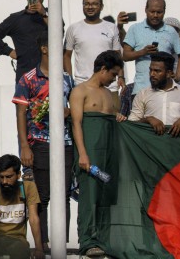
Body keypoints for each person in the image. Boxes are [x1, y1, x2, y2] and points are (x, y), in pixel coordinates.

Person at [12, 31, 74, 252]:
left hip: (65, 143)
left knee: (64, 195)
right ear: (45, 48)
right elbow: (20, 113)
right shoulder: (28, 79)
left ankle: (61, 243)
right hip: (39, 142)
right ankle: (44, 243)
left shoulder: (67, 78)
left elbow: (73, 109)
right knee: (43, 196)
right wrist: (24, 146)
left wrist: (68, 111)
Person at [69, 50, 123, 258]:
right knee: (89, 196)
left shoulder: (109, 94)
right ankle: (88, 240)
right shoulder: (79, 91)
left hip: (110, 151)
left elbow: (114, 117)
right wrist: (82, 154)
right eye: (113, 74)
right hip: (90, 152)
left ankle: (104, 239)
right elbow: (76, 123)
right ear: (103, 69)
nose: (114, 79)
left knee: (106, 194)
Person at [0, 154, 43, 259]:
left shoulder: (28, 188)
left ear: (19, 175)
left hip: (18, 240)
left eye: (9, 177)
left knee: (20, 254)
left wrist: (39, 248)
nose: (4, 181)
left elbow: (34, 219)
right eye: (1, 177)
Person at [0, 0, 51, 82]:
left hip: (49, 74)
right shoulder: (16, 18)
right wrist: (9, 51)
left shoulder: (52, 15)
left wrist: (44, 14)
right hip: (25, 76)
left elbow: (59, 33)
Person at [122, 0, 180, 93]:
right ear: (146, 10)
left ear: (164, 12)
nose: (155, 15)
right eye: (152, 12)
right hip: (141, 89)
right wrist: (143, 52)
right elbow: (125, 56)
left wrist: (177, 76)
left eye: (159, 12)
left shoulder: (171, 31)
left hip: (165, 90)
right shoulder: (135, 29)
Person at [64, 0, 124, 88]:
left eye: (95, 4)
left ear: (101, 7)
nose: (90, 7)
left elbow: (117, 56)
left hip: (110, 86)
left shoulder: (112, 27)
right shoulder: (73, 28)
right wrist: (69, 80)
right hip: (82, 84)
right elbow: (66, 56)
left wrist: (121, 76)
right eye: (86, 4)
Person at [128, 52, 180, 135]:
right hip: (151, 145)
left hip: (177, 145)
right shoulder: (143, 94)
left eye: (157, 71)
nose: (152, 74)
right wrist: (148, 119)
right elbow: (131, 124)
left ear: (169, 73)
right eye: (151, 70)